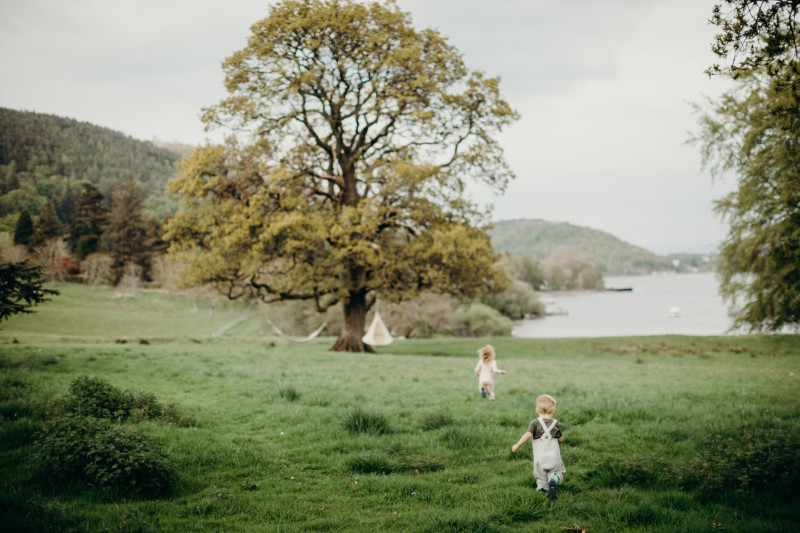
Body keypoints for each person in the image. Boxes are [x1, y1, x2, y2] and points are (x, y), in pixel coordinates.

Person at [511, 394, 565, 498]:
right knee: (557, 471)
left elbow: (527, 435)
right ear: (553, 411)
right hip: (554, 457)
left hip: (539, 458)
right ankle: (554, 479)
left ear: (537, 411)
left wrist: (517, 445)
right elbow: (561, 439)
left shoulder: (535, 423)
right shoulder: (556, 423)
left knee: (541, 478)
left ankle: (542, 490)